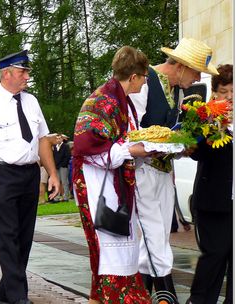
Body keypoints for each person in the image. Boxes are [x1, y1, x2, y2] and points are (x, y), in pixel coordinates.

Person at [129, 38, 219, 298]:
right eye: (196, 71)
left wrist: (183, 144)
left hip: (164, 171)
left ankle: (143, 296)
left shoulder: (177, 89)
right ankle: (166, 295)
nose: (198, 78)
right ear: (181, 66)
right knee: (154, 236)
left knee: (157, 237)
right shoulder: (145, 81)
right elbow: (130, 129)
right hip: (142, 169)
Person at [0, 50, 60, 304]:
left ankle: (5, 294)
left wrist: (52, 173)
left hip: (30, 174)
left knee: (24, 236)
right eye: (23, 72)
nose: (27, 77)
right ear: (7, 74)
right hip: (2, 174)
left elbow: (42, 140)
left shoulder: (31, 102)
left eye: (27, 72)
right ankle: (19, 296)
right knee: (8, 235)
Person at [72, 46, 152, 303]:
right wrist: (132, 150)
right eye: (144, 76)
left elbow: (121, 139)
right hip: (97, 187)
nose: (145, 81)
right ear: (133, 77)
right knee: (107, 254)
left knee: (110, 257)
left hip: (114, 185)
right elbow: (87, 146)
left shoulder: (121, 99)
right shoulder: (103, 100)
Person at [187, 64, 233, 304]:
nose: (229, 98)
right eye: (224, 92)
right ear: (214, 92)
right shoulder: (206, 117)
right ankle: (199, 300)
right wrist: (217, 126)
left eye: (233, 92)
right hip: (214, 201)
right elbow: (195, 153)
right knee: (215, 254)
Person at [53, 134, 71, 202]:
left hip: (63, 166)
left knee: (64, 182)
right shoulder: (54, 146)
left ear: (62, 139)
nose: (58, 140)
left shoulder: (65, 146)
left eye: (59, 138)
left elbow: (68, 156)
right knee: (57, 182)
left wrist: (63, 164)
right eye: (57, 138)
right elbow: (53, 156)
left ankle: (66, 197)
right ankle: (56, 197)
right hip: (56, 166)